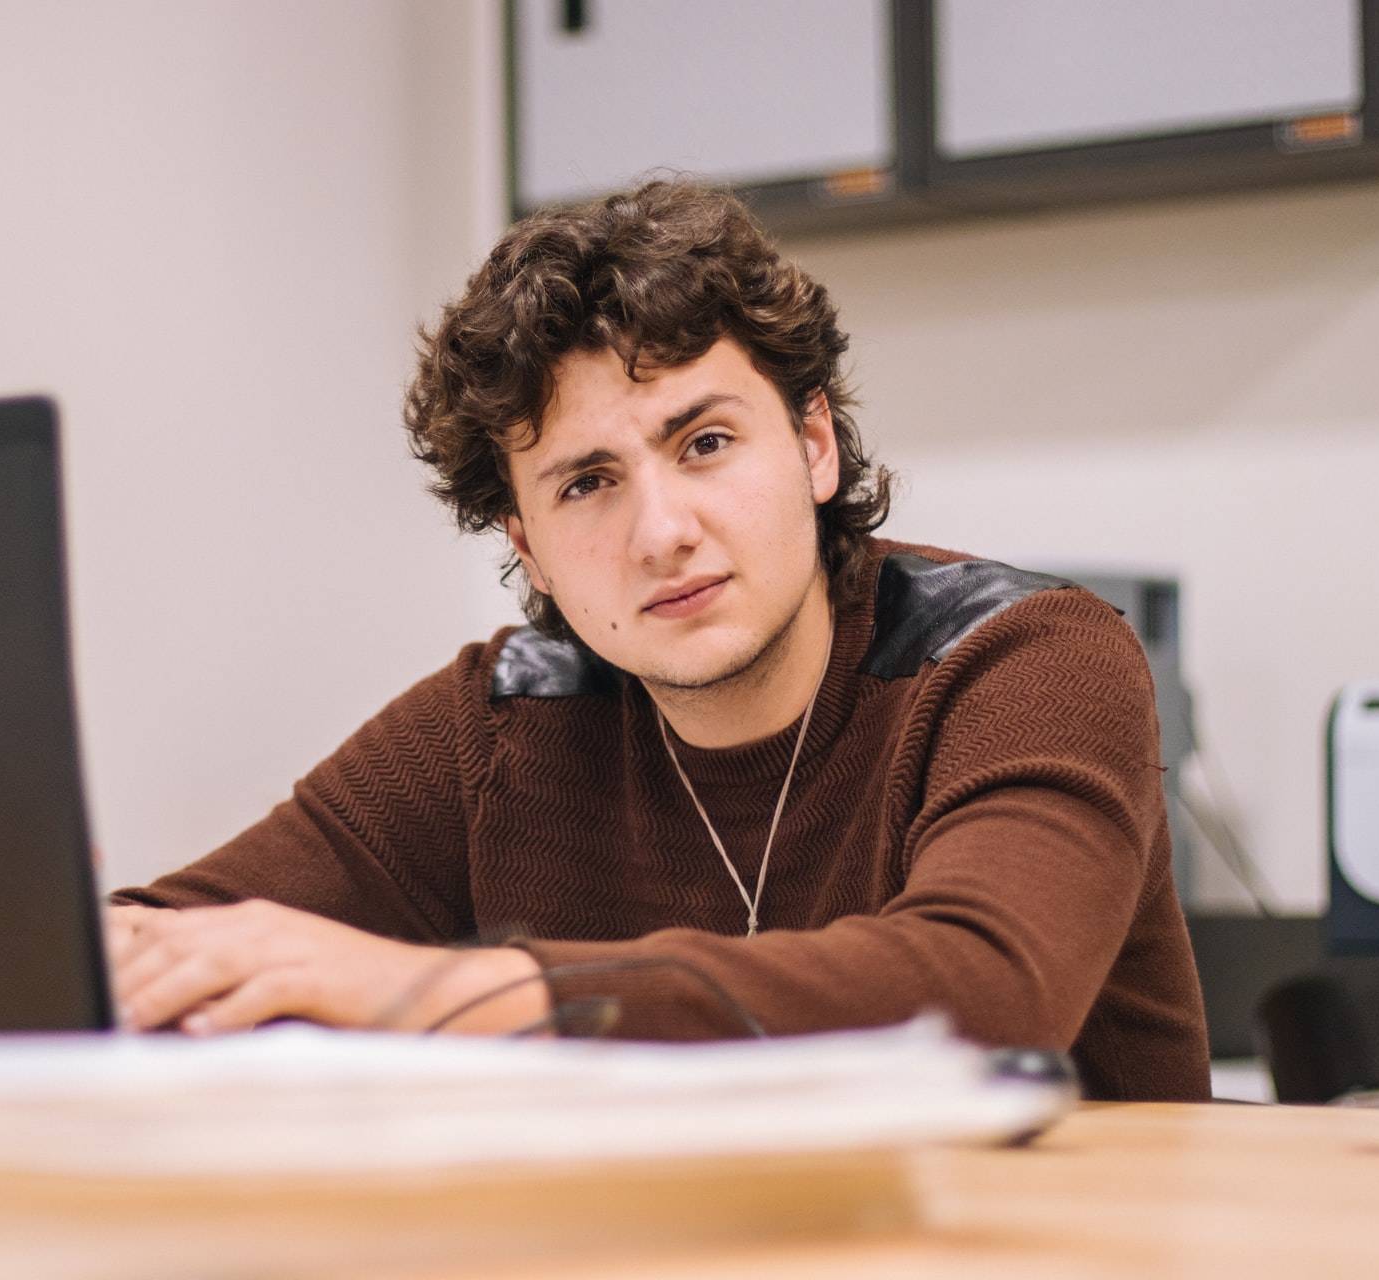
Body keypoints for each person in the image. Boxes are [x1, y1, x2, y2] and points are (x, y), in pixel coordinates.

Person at [107, 180, 1211, 1100]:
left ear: (814, 443)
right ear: (529, 549)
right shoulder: (500, 725)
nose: (663, 531)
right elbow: (166, 940)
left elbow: (985, 992)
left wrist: (443, 994)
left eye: (708, 441)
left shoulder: (1025, 659)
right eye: (587, 483)